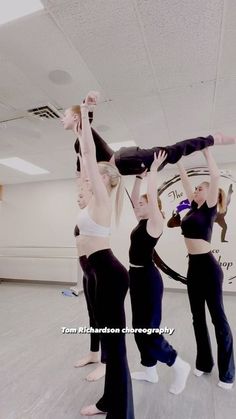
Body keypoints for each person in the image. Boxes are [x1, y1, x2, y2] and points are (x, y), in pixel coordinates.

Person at [77, 93, 134, 418]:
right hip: (99, 272)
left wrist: (86, 114)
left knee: (116, 346)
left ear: (106, 181)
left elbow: (87, 151)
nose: (88, 175)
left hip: (109, 273)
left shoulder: (103, 196)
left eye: (94, 173)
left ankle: (119, 409)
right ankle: (108, 400)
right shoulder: (91, 202)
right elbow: (83, 162)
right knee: (110, 343)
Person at [129, 152, 190, 395]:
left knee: (149, 330)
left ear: (153, 207)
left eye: (143, 204)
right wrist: (138, 177)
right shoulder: (141, 220)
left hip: (148, 280)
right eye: (140, 204)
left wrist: (154, 170)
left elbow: (150, 198)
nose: (139, 205)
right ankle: (150, 371)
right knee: (138, 329)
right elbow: (136, 198)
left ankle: (177, 364)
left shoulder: (155, 222)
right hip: (135, 277)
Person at [61, 94, 236, 176]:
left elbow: (86, 120)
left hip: (128, 159)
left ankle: (214, 139)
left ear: (76, 117)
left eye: (65, 115)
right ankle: (149, 171)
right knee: (167, 158)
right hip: (130, 167)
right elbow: (80, 172)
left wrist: (87, 105)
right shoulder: (78, 145)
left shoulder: (84, 132)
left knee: (173, 151)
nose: (62, 119)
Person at [177, 148, 235, 389]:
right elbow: (184, 181)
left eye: (200, 189)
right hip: (193, 268)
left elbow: (214, 178)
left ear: (209, 193)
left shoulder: (210, 206)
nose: (196, 190)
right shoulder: (193, 208)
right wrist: (178, 159)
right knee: (197, 319)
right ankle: (204, 363)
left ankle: (228, 373)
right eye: (197, 189)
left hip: (209, 269)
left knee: (218, 319)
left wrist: (207, 152)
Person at [73, 184, 106, 382]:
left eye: (81, 195)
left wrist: (86, 159)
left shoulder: (94, 215)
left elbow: (90, 184)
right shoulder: (82, 218)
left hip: (97, 271)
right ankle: (94, 353)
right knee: (92, 315)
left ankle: (106, 362)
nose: (78, 198)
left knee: (102, 317)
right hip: (87, 272)